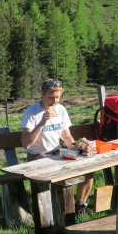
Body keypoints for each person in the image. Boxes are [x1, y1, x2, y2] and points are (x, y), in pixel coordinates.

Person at [20, 79, 94, 215]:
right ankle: (61, 212)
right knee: (61, 176)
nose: (54, 102)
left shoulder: (60, 109)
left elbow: (66, 136)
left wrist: (75, 147)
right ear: (42, 93)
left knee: (88, 170)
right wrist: (42, 123)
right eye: (51, 97)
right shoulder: (32, 112)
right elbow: (26, 143)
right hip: (38, 155)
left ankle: (80, 206)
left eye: (58, 97)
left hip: (58, 153)